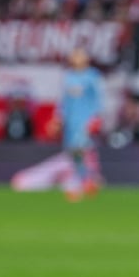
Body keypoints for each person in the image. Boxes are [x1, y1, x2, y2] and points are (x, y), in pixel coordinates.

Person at [50, 49, 104, 201]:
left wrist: (96, 118)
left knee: (82, 150)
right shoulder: (68, 78)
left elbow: (98, 99)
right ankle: (90, 179)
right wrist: (58, 118)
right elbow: (64, 102)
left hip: (85, 121)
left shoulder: (92, 77)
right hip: (71, 123)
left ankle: (77, 185)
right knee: (74, 153)